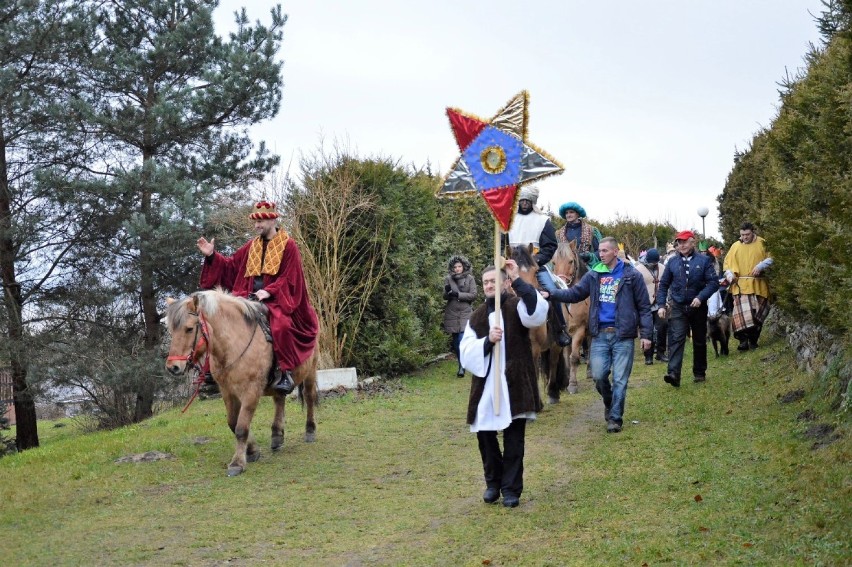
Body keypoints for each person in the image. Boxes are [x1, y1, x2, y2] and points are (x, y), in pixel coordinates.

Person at [196, 201, 319, 394]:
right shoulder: (250, 246)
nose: (257, 225)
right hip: (246, 297)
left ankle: (285, 372)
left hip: (276, 300)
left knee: (282, 325)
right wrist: (212, 256)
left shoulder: (289, 246)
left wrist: (270, 291)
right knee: (219, 320)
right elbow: (230, 267)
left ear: (273, 219)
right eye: (255, 221)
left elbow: (290, 277)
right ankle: (211, 372)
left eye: (261, 221)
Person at [541, 237, 653, 433]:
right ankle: (610, 403)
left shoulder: (631, 275)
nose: (600, 254)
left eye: (604, 251)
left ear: (615, 252)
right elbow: (574, 294)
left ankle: (615, 418)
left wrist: (646, 334)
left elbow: (644, 307)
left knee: (620, 379)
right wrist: (552, 294)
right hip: (600, 335)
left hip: (623, 334)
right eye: (599, 251)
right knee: (599, 377)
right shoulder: (594, 275)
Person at [460, 260, 548, 508]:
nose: (488, 285)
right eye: (485, 282)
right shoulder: (477, 317)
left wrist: (517, 277)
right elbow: (466, 350)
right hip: (486, 385)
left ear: (505, 283)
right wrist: (487, 341)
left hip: (515, 383)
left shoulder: (516, 306)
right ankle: (493, 483)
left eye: (493, 281)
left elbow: (536, 313)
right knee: (485, 436)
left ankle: (511, 489)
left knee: (514, 439)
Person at [506, 185, 569, 346]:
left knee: (553, 290)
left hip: (534, 265)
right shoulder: (508, 220)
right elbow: (502, 242)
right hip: (511, 264)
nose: (524, 203)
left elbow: (549, 246)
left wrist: (536, 260)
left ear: (533, 202)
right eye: (522, 200)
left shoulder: (543, 220)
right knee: (492, 288)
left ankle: (560, 329)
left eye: (527, 201)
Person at [656, 230, 719, 387]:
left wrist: (700, 297)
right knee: (676, 339)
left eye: (684, 242)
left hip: (697, 306)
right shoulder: (671, 262)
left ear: (693, 242)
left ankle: (699, 372)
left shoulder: (704, 261)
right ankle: (673, 374)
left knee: (699, 340)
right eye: (679, 242)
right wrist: (661, 305)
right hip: (677, 306)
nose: (681, 245)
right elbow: (663, 285)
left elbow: (713, 283)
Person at [723, 222, 773, 350]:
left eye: (747, 234)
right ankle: (743, 341)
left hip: (759, 284)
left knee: (758, 315)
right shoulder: (735, 246)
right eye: (742, 235)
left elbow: (772, 257)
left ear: (753, 232)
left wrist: (761, 266)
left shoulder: (762, 243)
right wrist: (729, 275)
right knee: (743, 316)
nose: (745, 237)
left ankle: (753, 340)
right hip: (740, 286)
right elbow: (727, 264)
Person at [443, 255, 477, 377]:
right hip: (452, 312)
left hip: (465, 312)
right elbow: (444, 296)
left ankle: (462, 365)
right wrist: (448, 293)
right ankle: (461, 363)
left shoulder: (470, 279)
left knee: (463, 339)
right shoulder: (448, 279)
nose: (457, 269)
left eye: (459, 266)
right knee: (456, 342)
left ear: (464, 266)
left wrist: (458, 294)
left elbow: (473, 295)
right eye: (455, 267)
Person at [632, 248, 667, 365]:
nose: (653, 264)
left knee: (662, 327)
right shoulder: (638, 270)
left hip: (660, 304)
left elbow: (667, 284)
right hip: (645, 304)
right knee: (647, 330)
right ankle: (648, 356)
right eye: (652, 262)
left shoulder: (662, 268)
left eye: (655, 262)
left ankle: (661, 353)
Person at [556, 201, 602, 268]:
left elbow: (600, 251)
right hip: (565, 268)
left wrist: (588, 256)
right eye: (566, 213)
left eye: (571, 212)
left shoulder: (592, 230)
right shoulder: (559, 234)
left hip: (588, 267)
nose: (568, 215)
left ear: (577, 214)